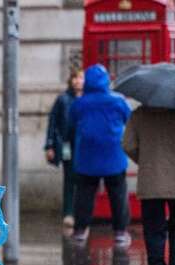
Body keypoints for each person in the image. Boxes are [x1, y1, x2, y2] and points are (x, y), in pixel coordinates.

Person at [122, 106, 175, 265]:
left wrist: (146, 160)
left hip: (150, 180)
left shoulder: (140, 113)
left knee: (153, 230)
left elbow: (128, 145)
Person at [68, 64, 132, 246]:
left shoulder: (79, 103)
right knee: (118, 196)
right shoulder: (118, 100)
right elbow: (129, 119)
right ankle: (120, 232)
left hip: (88, 157)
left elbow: (71, 123)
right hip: (114, 156)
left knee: (84, 197)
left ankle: (80, 230)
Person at [44, 68, 84, 228]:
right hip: (67, 144)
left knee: (84, 180)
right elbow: (52, 123)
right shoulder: (63, 99)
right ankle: (68, 212)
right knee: (69, 177)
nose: (77, 81)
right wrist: (49, 145)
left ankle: (81, 212)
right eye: (74, 77)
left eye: (80, 77)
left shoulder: (88, 99)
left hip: (85, 145)